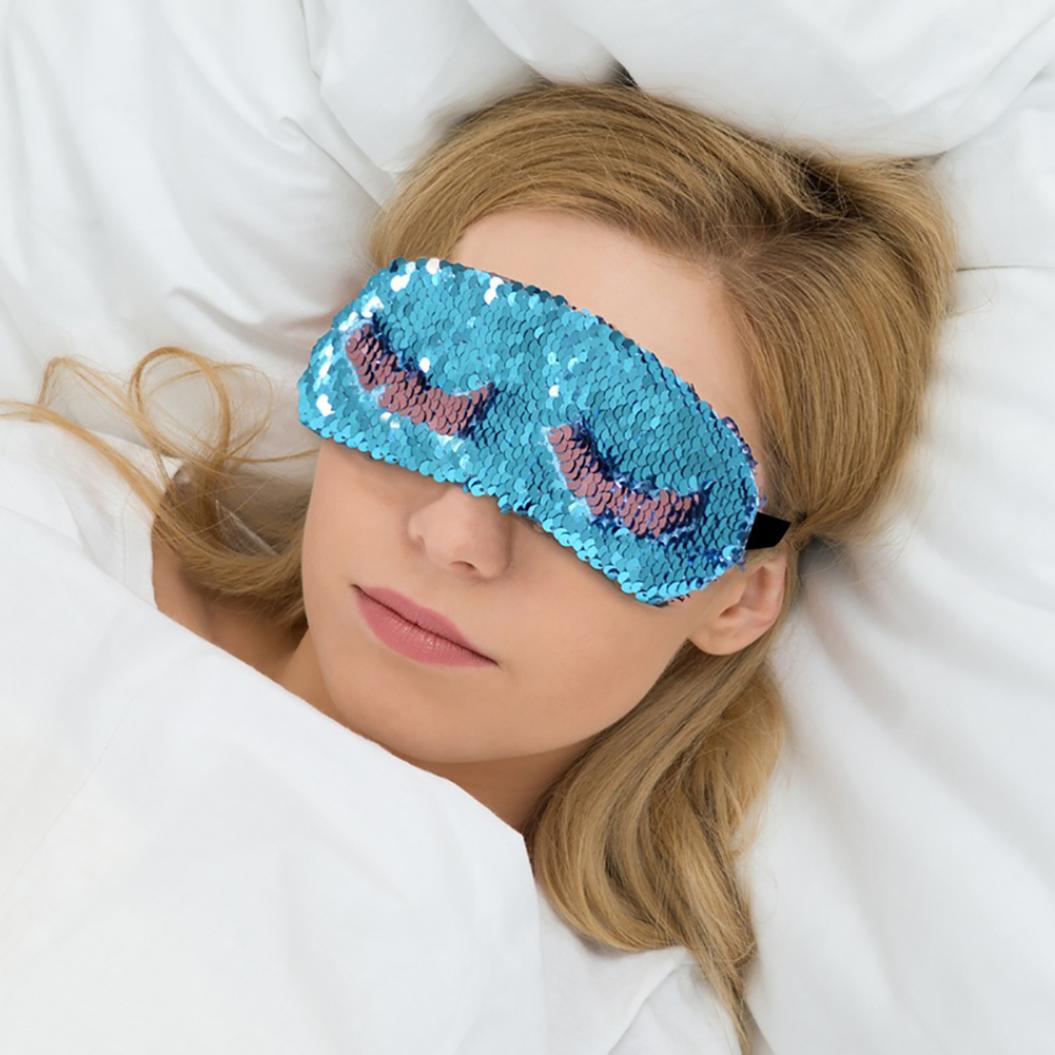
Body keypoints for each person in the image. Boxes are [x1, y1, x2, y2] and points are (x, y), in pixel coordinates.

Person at [0, 77, 957, 1053]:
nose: (455, 532)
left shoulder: (595, 1031)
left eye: (618, 484)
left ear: (737, 596)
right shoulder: (38, 532)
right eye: (431, 381)